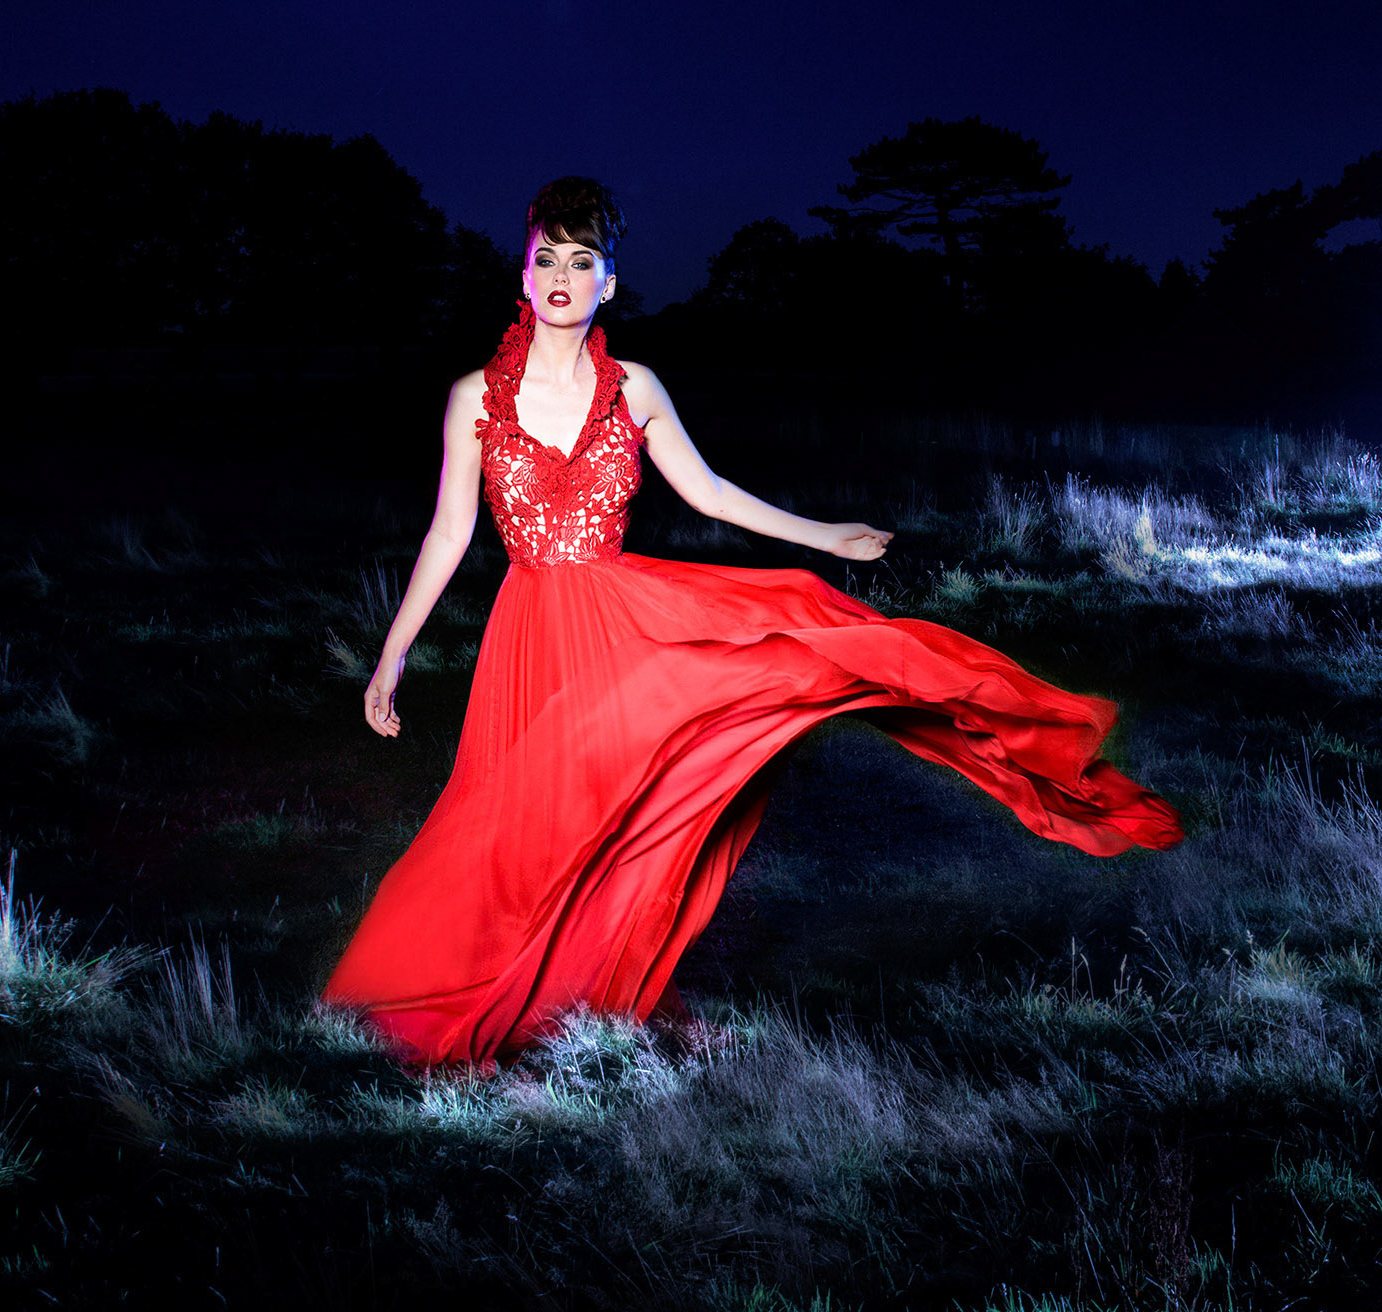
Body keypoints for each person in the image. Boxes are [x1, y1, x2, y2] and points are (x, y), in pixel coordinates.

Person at [321, 177, 1182, 1067]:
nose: (562, 277)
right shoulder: (476, 396)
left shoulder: (633, 390)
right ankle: (484, 994)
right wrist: (392, 657)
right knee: (515, 832)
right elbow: (450, 532)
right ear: (524, 275)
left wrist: (824, 536)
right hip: (528, 635)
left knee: (621, 822)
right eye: (547, 259)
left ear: (609, 283)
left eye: (582, 262)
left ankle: (595, 1000)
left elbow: (711, 494)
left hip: (618, 632)